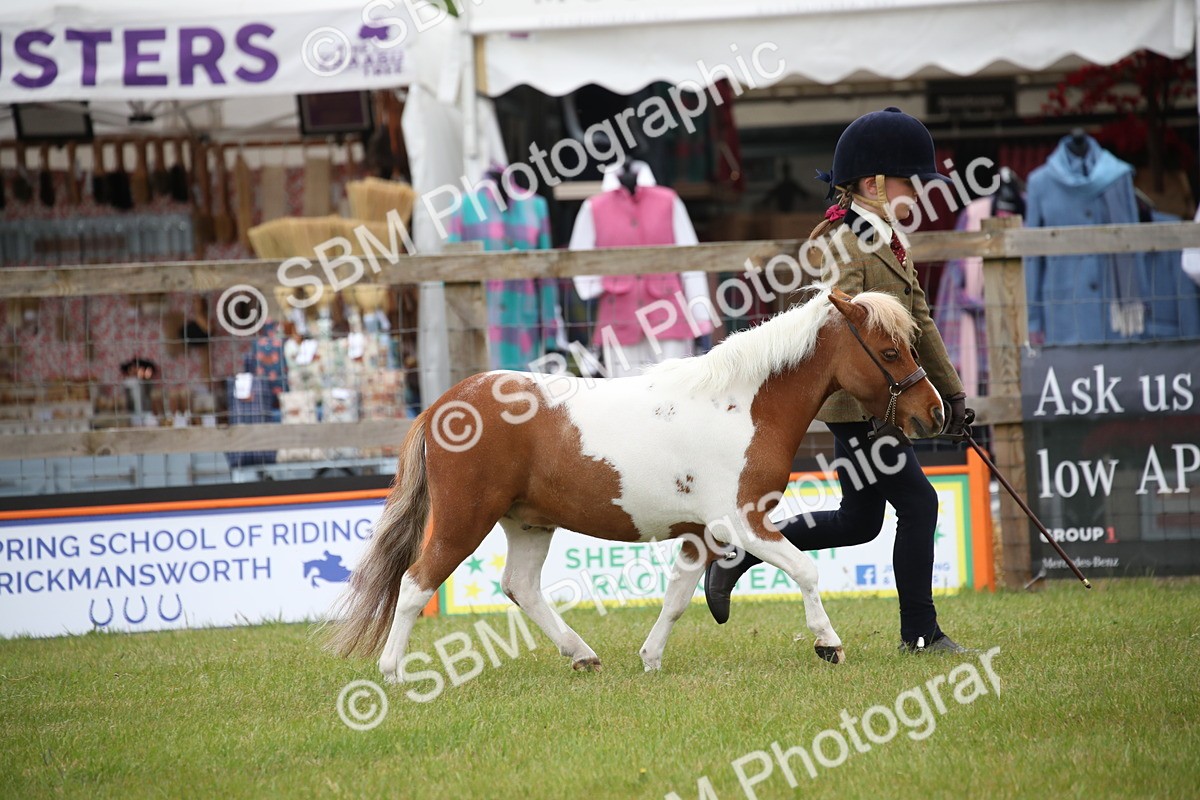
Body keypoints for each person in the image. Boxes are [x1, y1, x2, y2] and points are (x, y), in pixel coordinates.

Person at [703, 107, 973, 653]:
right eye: (910, 182)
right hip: (863, 406)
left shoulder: (891, 240)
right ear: (874, 185)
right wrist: (882, 404)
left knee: (859, 521)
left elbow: (919, 321)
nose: (918, 193)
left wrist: (952, 392)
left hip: (887, 400)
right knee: (919, 504)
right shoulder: (842, 244)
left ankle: (741, 553)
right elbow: (844, 326)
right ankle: (920, 633)